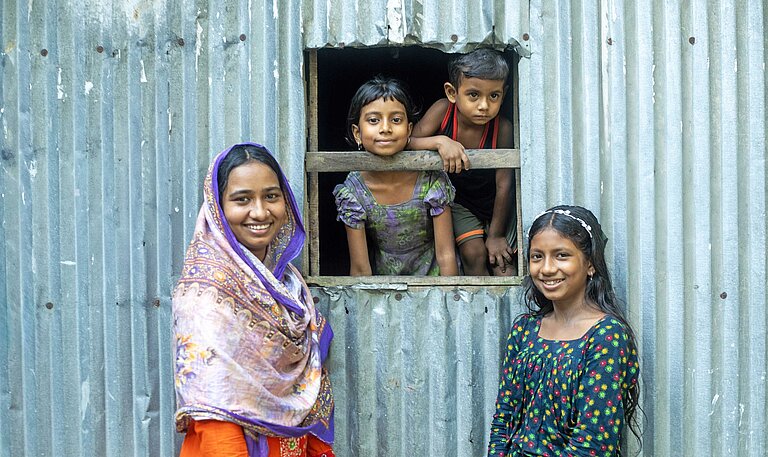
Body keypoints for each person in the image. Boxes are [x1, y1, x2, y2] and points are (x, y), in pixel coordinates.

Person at [173, 143, 335, 457]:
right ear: (217, 208)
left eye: (271, 196)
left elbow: (310, 402)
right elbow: (215, 413)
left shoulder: (290, 287)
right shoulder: (207, 296)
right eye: (242, 199)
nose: (260, 212)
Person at [487, 205, 641, 456]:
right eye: (537, 256)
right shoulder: (524, 329)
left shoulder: (606, 335)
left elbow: (592, 444)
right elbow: (503, 419)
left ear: (590, 264)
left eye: (561, 255)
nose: (546, 268)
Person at [333, 76, 458, 276]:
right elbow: (360, 267)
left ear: (409, 129)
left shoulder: (431, 180)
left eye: (396, 120)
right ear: (357, 133)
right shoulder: (354, 191)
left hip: (434, 281)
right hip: (382, 290)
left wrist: (450, 302)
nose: (385, 128)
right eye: (373, 120)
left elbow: (446, 256)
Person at [409, 48, 516, 276]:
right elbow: (409, 142)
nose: (484, 105)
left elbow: (504, 184)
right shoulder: (443, 112)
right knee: (474, 253)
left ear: (503, 94)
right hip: (459, 202)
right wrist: (439, 141)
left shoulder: (503, 129)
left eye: (493, 96)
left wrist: (496, 235)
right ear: (452, 92)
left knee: (503, 264)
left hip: (495, 203)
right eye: (474, 95)